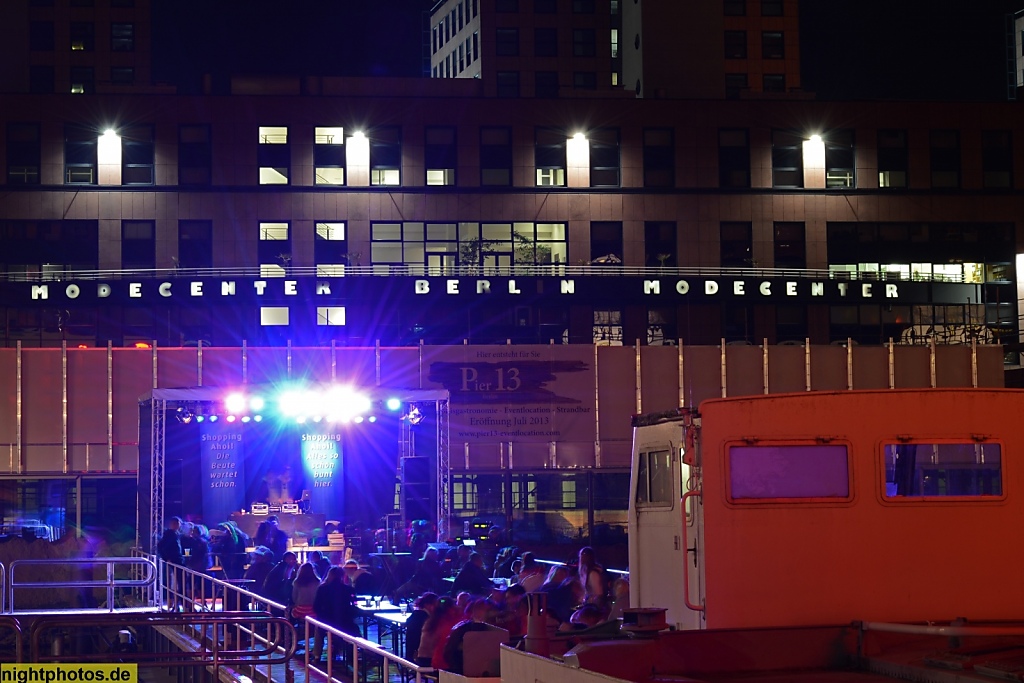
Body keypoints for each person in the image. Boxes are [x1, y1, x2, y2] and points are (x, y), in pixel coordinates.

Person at [311, 566, 360, 661]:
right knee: (355, 630)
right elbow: (354, 605)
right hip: (344, 621)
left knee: (318, 631)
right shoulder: (349, 589)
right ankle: (351, 655)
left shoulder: (322, 589)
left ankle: (317, 655)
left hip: (326, 620)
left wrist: (321, 615)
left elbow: (316, 606)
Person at [417, 596, 459, 667]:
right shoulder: (445, 623)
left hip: (422, 659)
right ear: (451, 609)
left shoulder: (429, 621)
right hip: (432, 661)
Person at [405, 591, 439, 664]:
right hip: (419, 652)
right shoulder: (425, 618)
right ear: (427, 605)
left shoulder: (416, 614)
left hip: (410, 651)